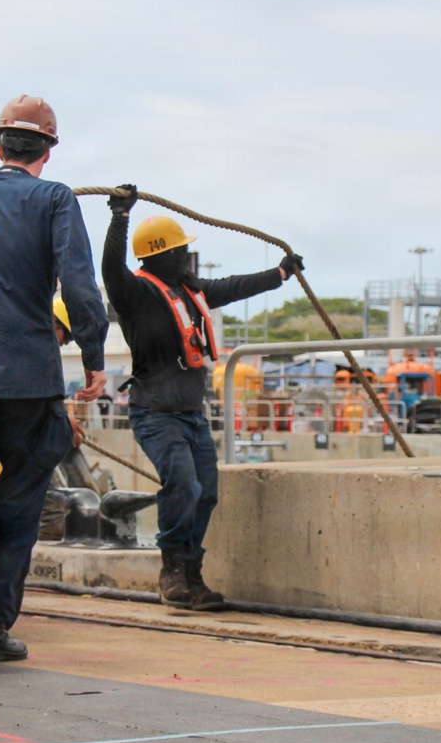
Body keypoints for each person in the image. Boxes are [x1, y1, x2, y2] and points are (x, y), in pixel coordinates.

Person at [0, 95, 108, 664]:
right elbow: (79, 287)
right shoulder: (55, 200)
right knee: (23, 500)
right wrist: (94, 354)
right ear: (48, 151)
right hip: (30, 380)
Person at [103, 189, 302, 610]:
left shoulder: (190, 291)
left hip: (191, 414)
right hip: (156, 413)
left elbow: (233, 286)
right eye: (180, 252)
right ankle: (171, 570)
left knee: (205, 492)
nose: (187, 259)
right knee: (183, 485)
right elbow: (111, 269)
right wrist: (120, 216)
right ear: (161, 256)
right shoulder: (136, 296)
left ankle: (191, 573)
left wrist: (280, 274)